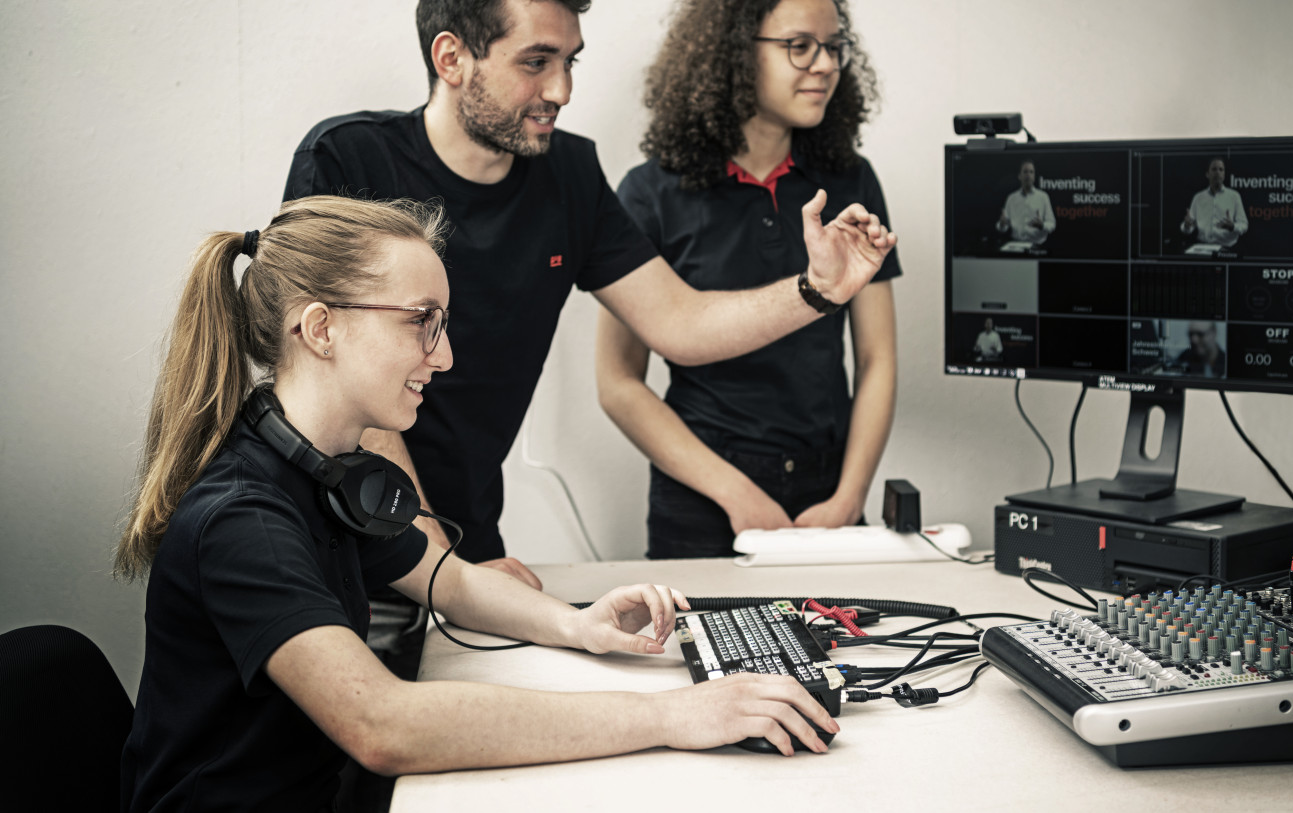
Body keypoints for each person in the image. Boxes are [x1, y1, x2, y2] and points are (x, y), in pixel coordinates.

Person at [115, 197, 839, 812]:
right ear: (320, 327)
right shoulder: (244, 517)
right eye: (420, 321)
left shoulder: (331, 473)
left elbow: (452, 582)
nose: (445, 354)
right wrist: (672, 715)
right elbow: (382, 722)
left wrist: (576, 625)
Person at [283, 0, 895, 586]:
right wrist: (435, 562)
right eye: (537, 61)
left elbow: (680, 323)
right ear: (452, 56)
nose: (563, 89)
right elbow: (339, 375)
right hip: (338, 534)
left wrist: (816, 289)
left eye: (570, 61)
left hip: (467, 541)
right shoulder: (347, 159)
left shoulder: (569, 174)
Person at [594, 0, 898, 559]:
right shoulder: (651, 193)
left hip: (828, 490)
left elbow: (878, 358)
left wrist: (847, 499)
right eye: (799, 46)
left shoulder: (849, 180)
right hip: (703, 495)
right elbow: (618, 383)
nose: (825, 65)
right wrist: (733, 492)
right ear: (735, 54)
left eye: (834, 47)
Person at [1181, 157, 1248, 247]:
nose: (1217, 172)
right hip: (1202, 247)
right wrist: (1186, 226)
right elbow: (1189, 227)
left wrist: (1233, 227)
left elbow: (1244, 225)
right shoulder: (1198, 197)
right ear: (1207, 174)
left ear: (1224, 175)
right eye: (1214, 169)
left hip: (1226, 249)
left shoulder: (1234, 196)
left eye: (1221, 169)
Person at [996, 160, 1055, 246]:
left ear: (1034, 176)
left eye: (1031, 172)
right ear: (1019, 176)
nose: (1028, 175)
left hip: (1037, 245)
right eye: (1025, 172)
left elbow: (1052, 224)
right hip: (1016, 245)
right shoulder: (1011, 198)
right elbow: (1004, 226)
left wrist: (1042, 225)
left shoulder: (1043, 197)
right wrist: (1001, 224)